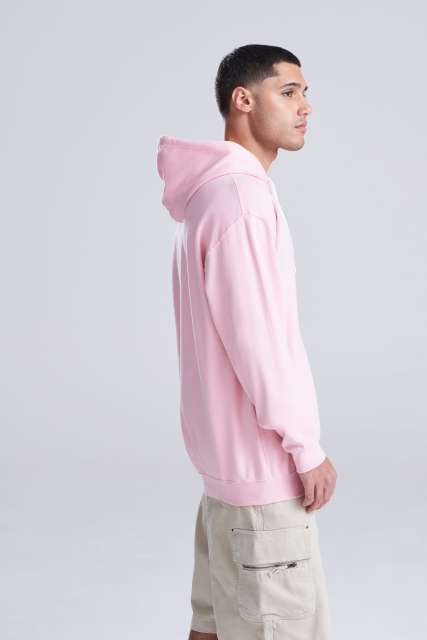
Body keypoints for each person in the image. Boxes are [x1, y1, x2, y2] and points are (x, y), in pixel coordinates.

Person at [156, 43, 337, 640]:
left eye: (305, 93)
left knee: (210, 630)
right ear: (244, 100)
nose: (304, 106)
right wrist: (304, 447)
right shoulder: (241, 201)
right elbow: (260, 343)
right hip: (261, 483)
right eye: (288, 92)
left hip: (224, 484)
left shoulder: (209, 198)